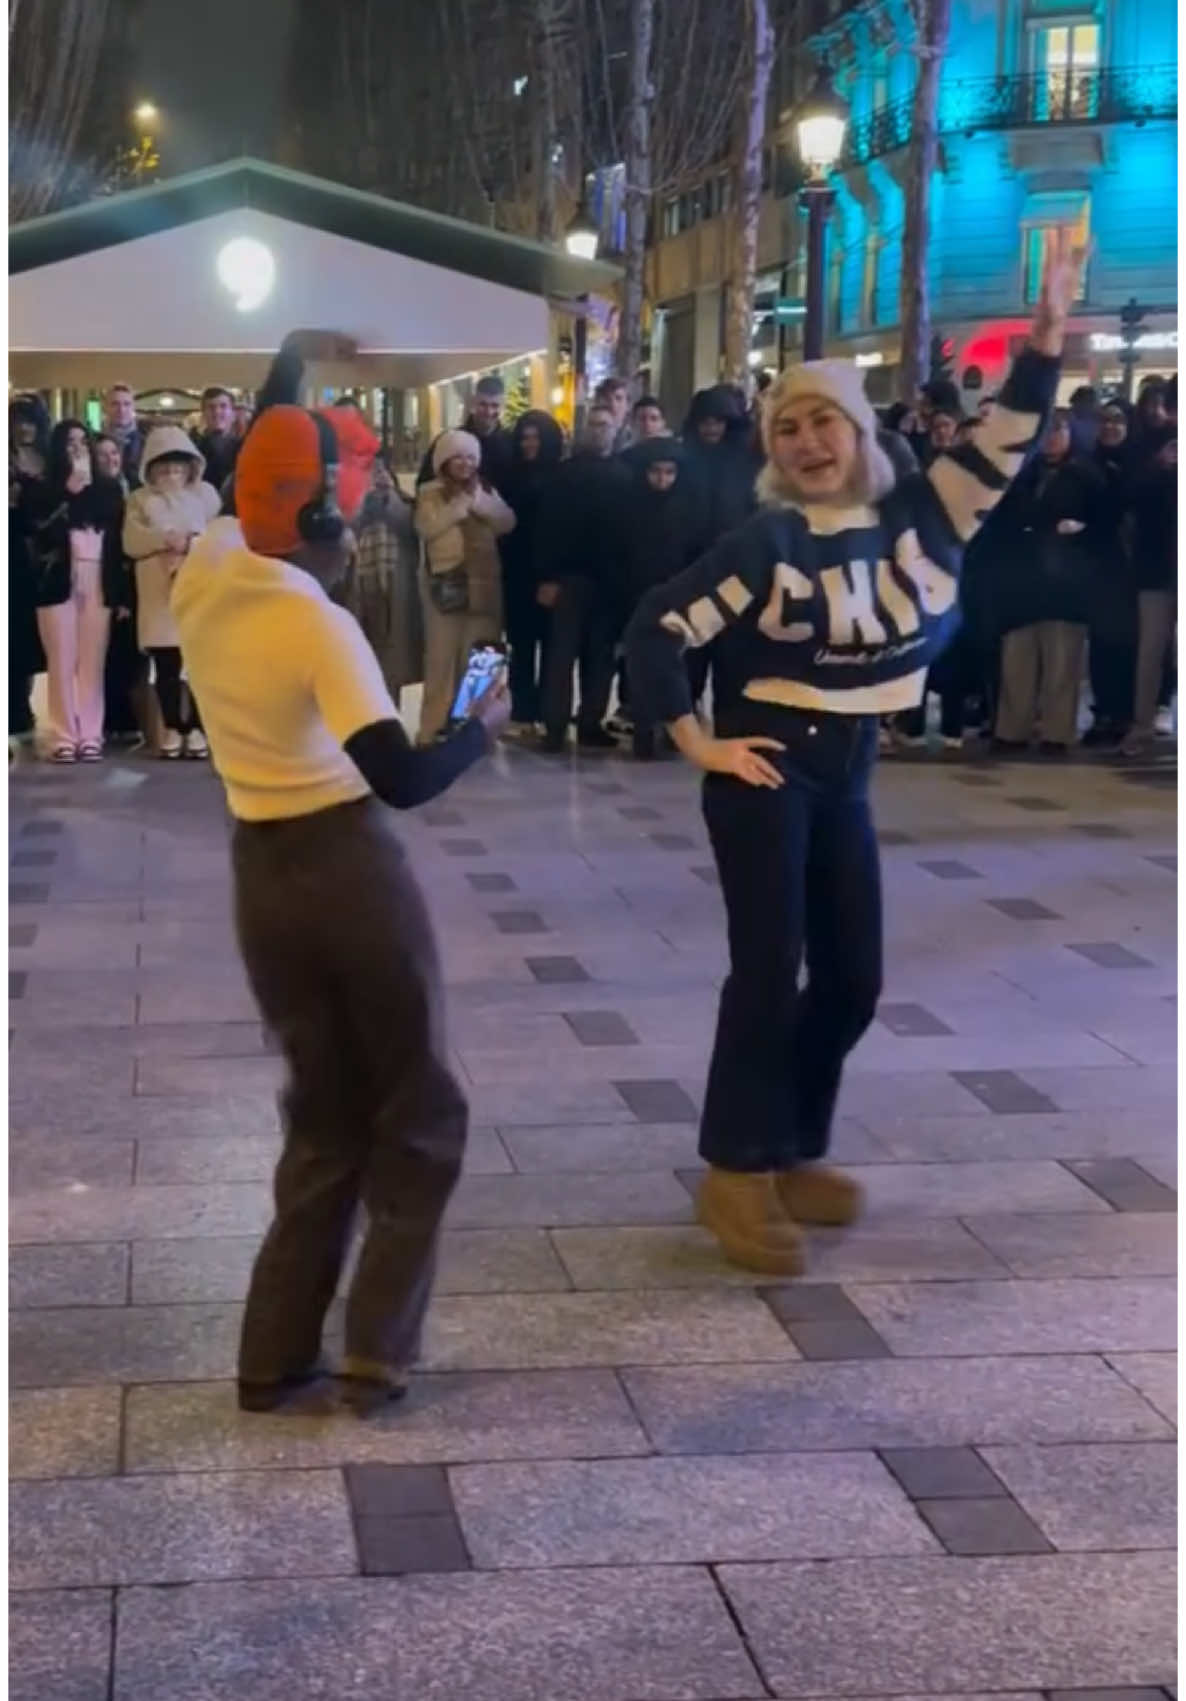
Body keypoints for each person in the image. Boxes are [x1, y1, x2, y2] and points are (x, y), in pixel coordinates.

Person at [626, 231, 1079, 1275]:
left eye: (821, 419)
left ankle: (791, 1146)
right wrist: (697, 739)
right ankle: (734, 1172)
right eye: (784, 427)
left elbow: (1008, 437)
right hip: (768, 769)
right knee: (764, 969)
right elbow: (657, 626)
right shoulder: (765, 544)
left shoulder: (926, 513)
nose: (803, 440)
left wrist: (1047, 336)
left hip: (852, 769)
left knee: (854, 979)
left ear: (857, 429)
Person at [172, 345, 510, 1414]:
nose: (356, 528)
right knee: (418, 1104)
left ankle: (270, 1355)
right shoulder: (317, 622)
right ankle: (377, 1346)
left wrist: (296, 358)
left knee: (322, 1114)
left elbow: (263, 452)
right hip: (349, 867)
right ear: (321, 525)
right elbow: (401, 777)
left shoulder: (208, 570)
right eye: (348, 512)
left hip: (258, 877)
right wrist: (475, 728)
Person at [991, 409, 1104, 755]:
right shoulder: (1024, 474)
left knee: (1061, 662)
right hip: (1025, 581)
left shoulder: (1086, 474)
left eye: (1059, 431)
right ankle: (1013, 729)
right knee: (1018, 659)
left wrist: (1081, 532)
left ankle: (1057, 732)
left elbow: (1105, 523)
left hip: (1065, 582)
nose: (1052, 438)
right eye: (1047, 432)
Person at [29, 420, 126, 763]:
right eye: (70, 442)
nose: (77, 448)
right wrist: (66, 491)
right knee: (61, 658)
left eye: (82, 441)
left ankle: (90, 733)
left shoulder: (109, 490)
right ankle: (63, 734)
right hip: (57, 579)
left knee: (92, 660)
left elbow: (117, 541)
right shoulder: (42, 488)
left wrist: (121, 594)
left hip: (97, 576)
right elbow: (36, 528)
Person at [537, 403, 630, 752]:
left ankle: (591, 722)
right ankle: (555, 727)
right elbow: (546, 528)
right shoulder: (563, 476)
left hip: (609, 582)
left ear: (616, 429)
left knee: (601, 658)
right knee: (561, 656)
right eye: (593, 425)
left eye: (605, 425)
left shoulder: (624, 476)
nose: (599, 431)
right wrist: (546, 576)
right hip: (567, 580)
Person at [123, 426, 221, 758]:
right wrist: (164, 540)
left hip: (199, 589)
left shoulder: (207, 496)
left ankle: (197, 727)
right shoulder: (139, 500)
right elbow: (131, 542)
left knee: (201, 665)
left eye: (178, 466)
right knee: (166, 664)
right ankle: (173, 727)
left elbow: (220, 536)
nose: (171, 474)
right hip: (158, 593)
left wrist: (192, 542)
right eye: (163, 468)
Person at [414, 429, 515, 743]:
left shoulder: (485, 489)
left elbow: (507, 522)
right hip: (446, 589)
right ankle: (432, 730)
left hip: (484, 589)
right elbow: (425, 528)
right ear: (444, 460)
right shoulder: (430, 492)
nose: (465, 464)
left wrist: (479, 503)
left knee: (480, 661)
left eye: (471, 457)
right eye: (458, 457)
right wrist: (457, 508)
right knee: (441, 664)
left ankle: (474, 730)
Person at [617, 438, 704, 759]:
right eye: (656, 472)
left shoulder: (688, 507)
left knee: (677, 668)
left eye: (670, 473)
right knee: (640, 667)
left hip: (678, 599)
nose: (663, 480)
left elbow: (696, 553)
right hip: (637, 597)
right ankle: (643, 732)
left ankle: (675, 734)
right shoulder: (630, 507)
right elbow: (620, 554)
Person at [501, 409, 564, 730]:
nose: (529, 444)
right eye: (524, 438)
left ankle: (550, 714)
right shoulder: (511, 476)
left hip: (551, 573)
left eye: (536, 438)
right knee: (522, 647)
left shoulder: (561, 476)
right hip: (516, 574)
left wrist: (553, 575)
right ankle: (523, 712)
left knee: (553, 648)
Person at [345, 459, 423, 708]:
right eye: (370, 472)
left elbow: (411, 529)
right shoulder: (350, 505)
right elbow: (348, 531)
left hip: (395, 587)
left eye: (381, 471)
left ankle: (390, 714)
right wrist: (364, 503)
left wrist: (389, 500)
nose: (377, 477)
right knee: (361, 655)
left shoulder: (405, 504)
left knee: (393, 658)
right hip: (360, 586)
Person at [1083, 400, 1137, 746]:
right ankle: (1103, 712)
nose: (1111, 427)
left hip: (1132, 568)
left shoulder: (1138, 464)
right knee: (1101, 644)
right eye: (1105, 421)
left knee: (1127, 645)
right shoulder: (1088, 465)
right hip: (1098, 567)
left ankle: (1123, 713)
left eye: (1118, 421)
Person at [1122, 422, 1177, 756]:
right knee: (1150, 652)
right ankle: (1141, 726)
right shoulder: (1154, 457)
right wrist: (1160, 466)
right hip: (1157, 573)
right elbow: (1132, 498)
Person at [9, 395, 49, 746]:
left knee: (29, 637)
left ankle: (22, 707)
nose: (25, 427)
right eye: (19, 420)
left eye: (30, 420)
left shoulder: (48, 461)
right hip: (13, 552)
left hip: (42, 557)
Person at [417, 376, 513, 494]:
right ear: (473, 403)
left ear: (503, 406)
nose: (489, 412)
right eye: (483, 404)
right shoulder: (448, 441)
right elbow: (424, 483)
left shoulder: (512, 443)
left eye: (495, 405)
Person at [192, 386, 241, 498]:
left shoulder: (246, 448)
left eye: (223, 406)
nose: (217, 412)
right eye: (211, 407)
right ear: (203, 414)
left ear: (233, 413)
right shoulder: (192, 449)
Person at [104, 383, 145, 488]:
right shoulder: (95, 443)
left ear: (133, 408)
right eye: (115, 404)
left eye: (126, 404)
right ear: (105, 408)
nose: (121, 410)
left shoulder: (146, 442)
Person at [595, 376, 632, 450]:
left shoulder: (634, 440)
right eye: (607, 398)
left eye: (619, 398)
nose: (613, 404)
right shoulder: (590, 437)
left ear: (627, 405)